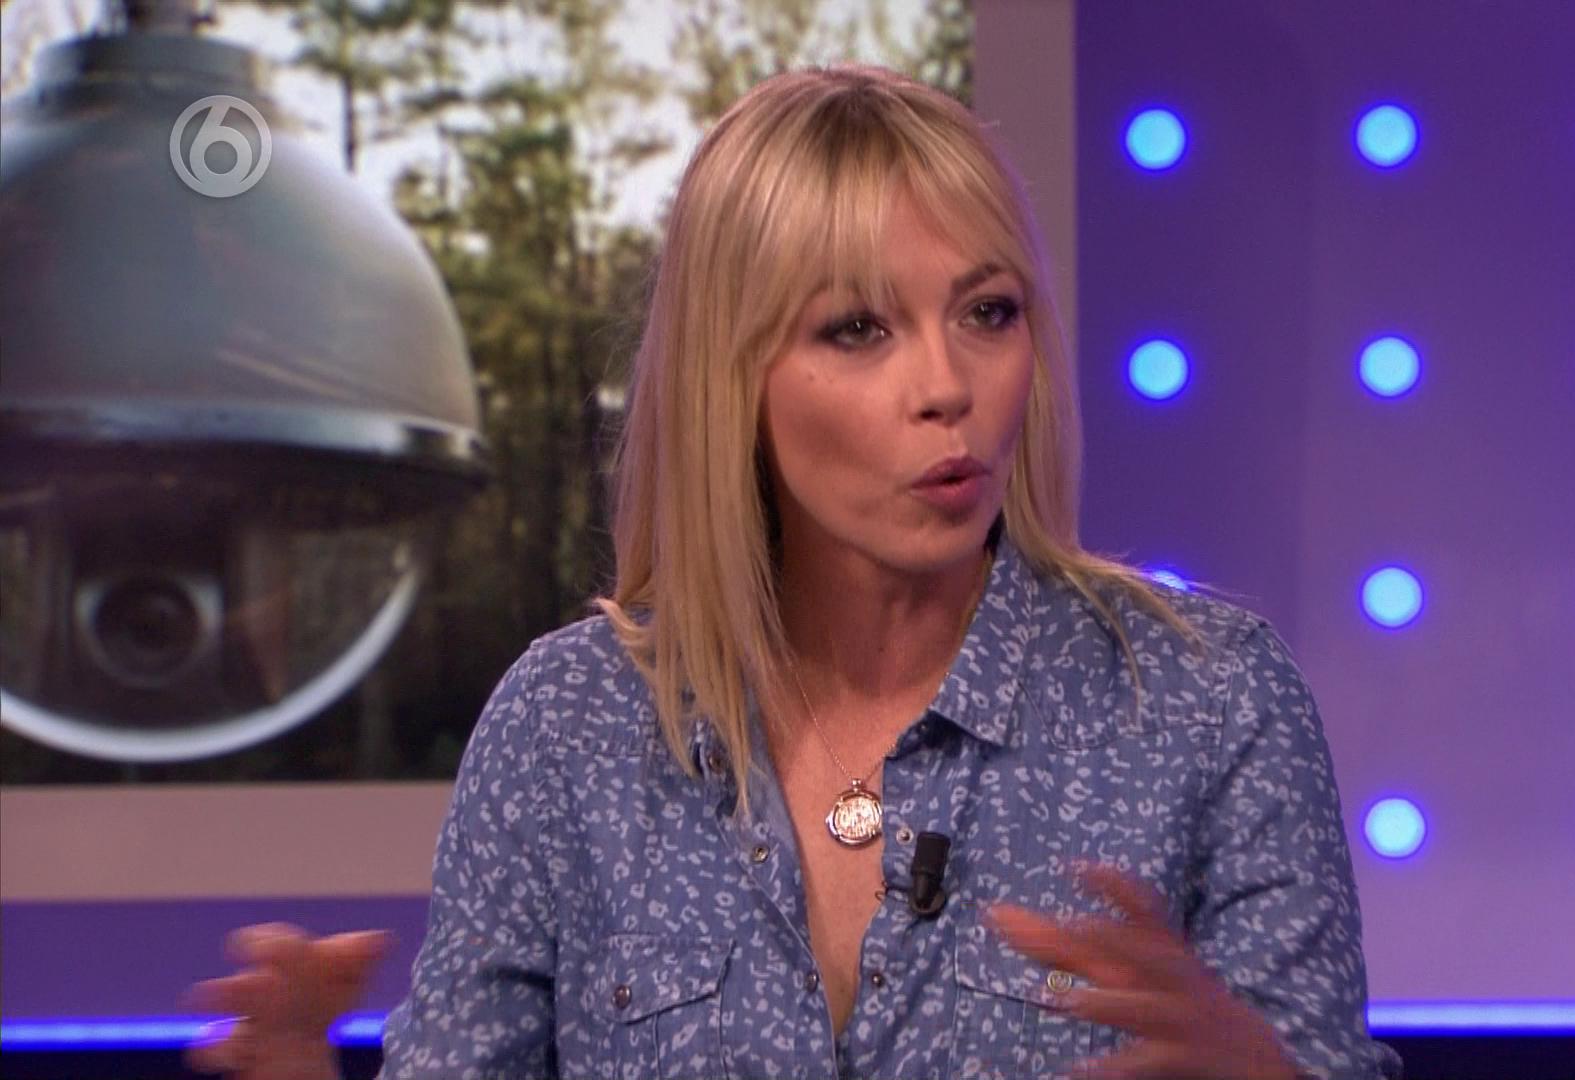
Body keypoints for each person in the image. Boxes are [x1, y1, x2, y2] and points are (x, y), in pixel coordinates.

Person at [188, 64, 1403, 1080]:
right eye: (858, 329)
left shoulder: (1208, 702)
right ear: (733, 379)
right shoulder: (568, 727)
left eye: (987, 312)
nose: (948, 386)